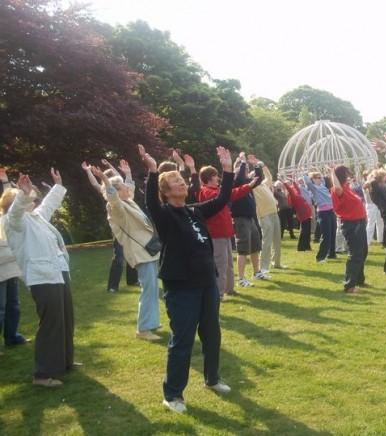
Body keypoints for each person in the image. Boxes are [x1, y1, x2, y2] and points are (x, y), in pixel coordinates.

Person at [141, 144, 234, 414]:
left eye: (181, 180)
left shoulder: (194, 211)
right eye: (174, 182)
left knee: (212, 334)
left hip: (206, 283)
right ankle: (172, 395)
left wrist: (227, 169)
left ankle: (212, 379)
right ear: (166, 192)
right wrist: (152, 171)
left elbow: (221, 199)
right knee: (182, 340)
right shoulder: (165, 214)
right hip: (181, 287)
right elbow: (150, 202)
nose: (180, 183)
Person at [2, 169, 75, 386]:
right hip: (42, 278)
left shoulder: (36, 217)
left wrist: (58, 186)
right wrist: (22, 194)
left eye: (31, 196)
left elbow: (49, 205)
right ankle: (43, 374)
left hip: (58, 272)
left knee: (66, 319)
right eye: (27, 197)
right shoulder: (13, 222)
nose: (32, 198)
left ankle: (64, 362)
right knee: (51, 323)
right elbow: (15, 212)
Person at [88, 164, 162, 341]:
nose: (128, 188)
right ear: (114, 190)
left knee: (152, 288)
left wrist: (127, 172)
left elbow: (131, 187)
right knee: (148, 289)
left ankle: (150, 322)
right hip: (139, 252)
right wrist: (105, 180)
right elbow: (112, 197)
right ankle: (143, 329)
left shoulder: (128, 201)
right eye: (123, 187)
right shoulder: (115, 208)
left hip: (148, 250)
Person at [197, 163, 260, 299]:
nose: (218, 178)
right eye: (215, 176)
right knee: (220, 264)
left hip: (225, 233)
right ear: (209, 178)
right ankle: (218, 295)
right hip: (216, 234)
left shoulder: (217, 191)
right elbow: (229, 194)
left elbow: (231, 194)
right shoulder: (206, 191)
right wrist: (247, 186)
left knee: (228, 264)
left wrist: (248, 186)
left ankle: (229, 289)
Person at [81, 160, 138, 293]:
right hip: (118, 229)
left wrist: (123, 170)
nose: (124, 186)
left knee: (132, 254)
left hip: (131, 227)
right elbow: (96, 183)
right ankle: (112, 286)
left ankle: (132, 280)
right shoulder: (108, 193)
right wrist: (88, 171)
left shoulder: (127, 193)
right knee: (119, 257)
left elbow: (123, 180)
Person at [0, 168, 27, 351]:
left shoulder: (11, 218)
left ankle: (11, 336)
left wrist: (5, 180)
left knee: (13, 304)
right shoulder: (5, 219)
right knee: (0, 309)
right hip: (1, 268)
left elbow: (9, 196)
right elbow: (9, 200)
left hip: (12, 267)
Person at [330, 166, 367, 293]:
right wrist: (332, 173)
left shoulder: (347, 188)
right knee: (355, 253)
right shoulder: (337, 190)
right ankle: (349, 285)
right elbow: (337, 187)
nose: (348, 176)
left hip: (359, 223)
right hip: (352, 224)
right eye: (345, 174)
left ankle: (359, 280)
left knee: (362, 252)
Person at [231, 153, 266, 287]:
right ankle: (240, 278)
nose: (246, 172)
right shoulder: (235, 181)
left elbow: (258, 179)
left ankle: (256, 272)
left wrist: (256, 166)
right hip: (240, 219)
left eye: (246, 170)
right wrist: (243, 162)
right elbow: (239, 177)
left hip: (250, 218)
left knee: (255, 246)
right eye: (243, 170)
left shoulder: (246, 182)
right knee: (243, 249)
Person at [247, 155, 284, 272]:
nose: (256, 177)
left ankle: (276, 263)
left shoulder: (263, 184)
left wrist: (262, 165)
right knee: (267, 241)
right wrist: (254, 167)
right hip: (264, 216)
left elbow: (269, 176)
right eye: (253, 176)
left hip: (274, 213)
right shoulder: (252, 187)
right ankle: (263, 267)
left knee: (277, 240)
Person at [304, 171, 336, 263]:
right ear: (313, 179)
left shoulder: (322, 186)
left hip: (331, 211)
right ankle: (320, 257)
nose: (320, 179)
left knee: (332, 233)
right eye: (317, 177)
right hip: (323, 213)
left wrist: (327, 170)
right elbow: (308, 182)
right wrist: (305, 173)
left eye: (320, 177)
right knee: (326, 235)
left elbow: (325, 179)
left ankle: (332, 253)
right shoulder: (313, 188)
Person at [282, 178, 312, 251]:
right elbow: (290, 189)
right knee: (304, 231)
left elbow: (296, 188)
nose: (291, 185)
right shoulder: (292, 196)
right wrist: (284, 182)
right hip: (303, 214)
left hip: (306, 213)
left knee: (308, 231)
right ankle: (301, 247)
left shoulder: (296, 193)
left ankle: (307, 246)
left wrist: (292, 180)